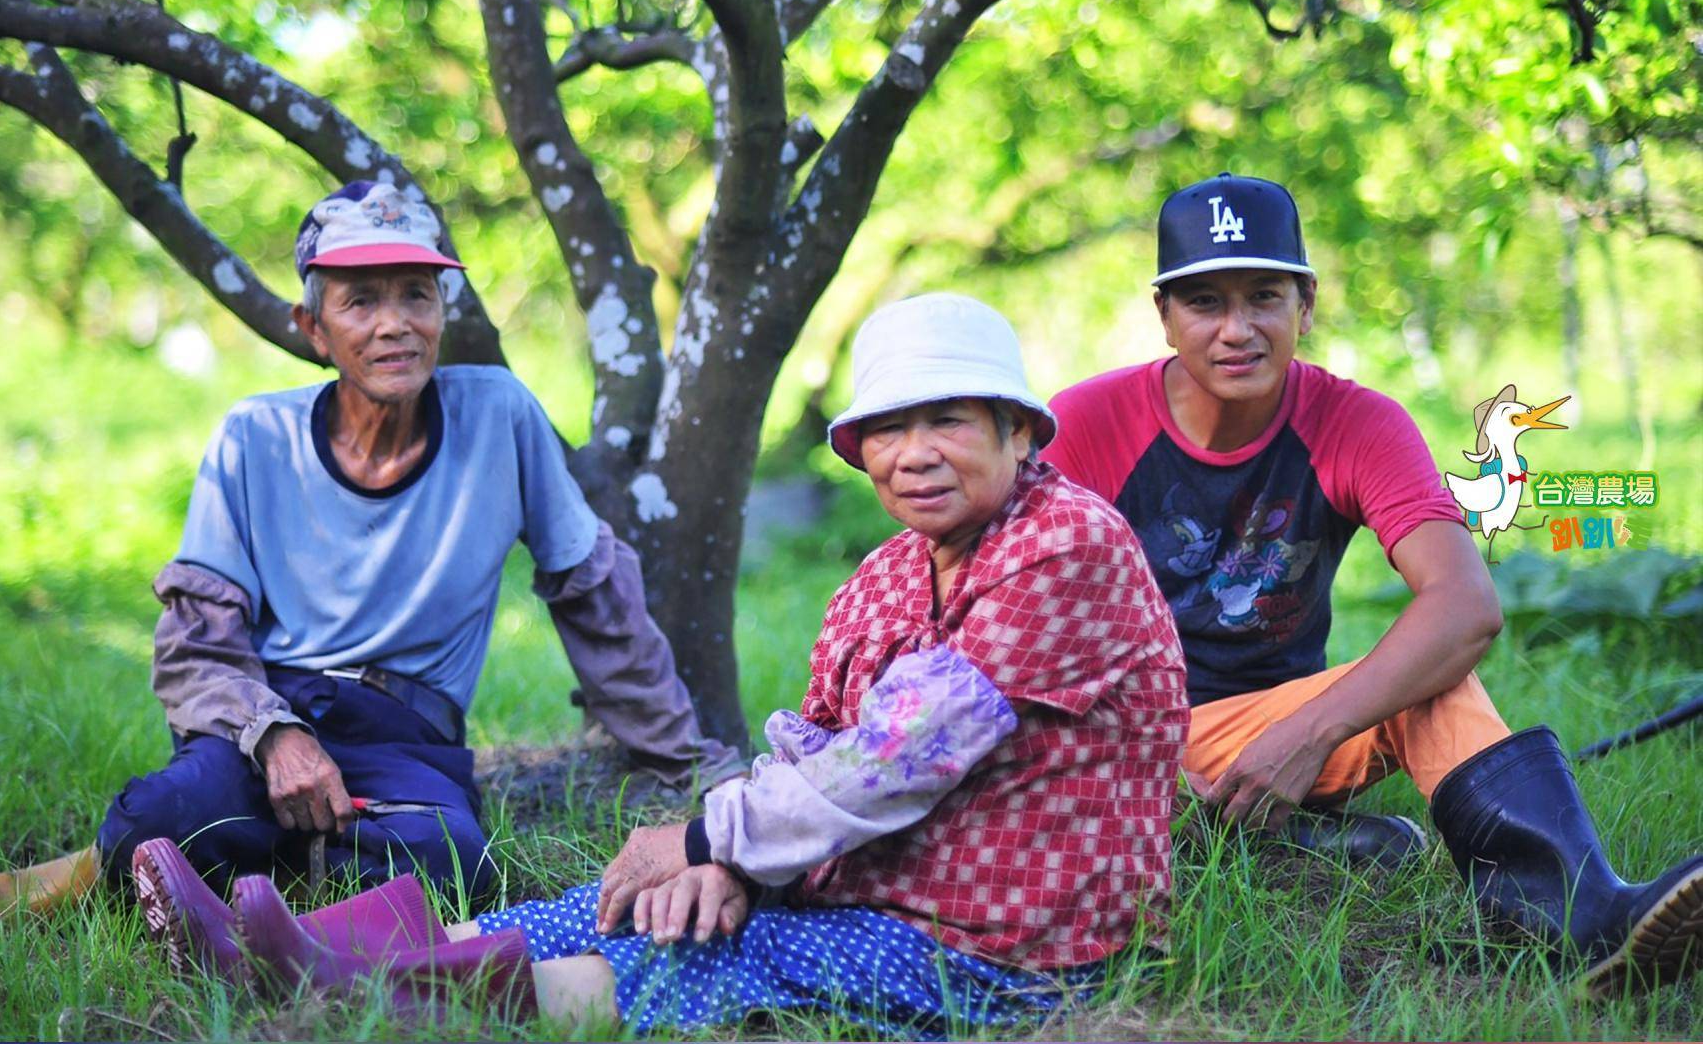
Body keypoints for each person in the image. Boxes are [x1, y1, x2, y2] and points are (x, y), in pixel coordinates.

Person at [131, 293, 1191, 1036]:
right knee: (605, 903)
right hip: (863, 888)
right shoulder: (884, 575)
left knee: (705, 955)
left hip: (1004, 951)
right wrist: (730, 862)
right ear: (858, 449)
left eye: (949, 420)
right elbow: (815, 751)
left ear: (1017, 432)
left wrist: (705, 836)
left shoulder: (1064, 548)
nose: (916, 451)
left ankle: (365, 998)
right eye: (890, 428)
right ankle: (284, 946)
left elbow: (896, 759)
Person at [0, 181, 738, 918]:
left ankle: (260, 885)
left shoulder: (500, 417)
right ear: (314, 329)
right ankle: (131, 856)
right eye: (360, 300)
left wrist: (684, 759)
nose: (393, 323)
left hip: (405, 737)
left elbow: (595, 601)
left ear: (443, 310)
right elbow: (198, 644)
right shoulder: (253, 437)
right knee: (165, 813)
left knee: (451, 864)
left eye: (415, 294)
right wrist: (275, 734)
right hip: (264, 718)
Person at [1041, 171, 1702, 994]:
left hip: (1269, 730)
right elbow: (1003, 614)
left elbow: (1464, 607)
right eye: (1205, 302)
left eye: (1264, 297)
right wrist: (1116, 749)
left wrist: (1312, 731)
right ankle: (1290, 843)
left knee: (1439, 680)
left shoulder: (1359, 422)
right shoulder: (1086, 424)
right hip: (1111, 744)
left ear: (1305, 304)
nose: (1237, 329)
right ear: (1165, 316)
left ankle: (1573, 919)